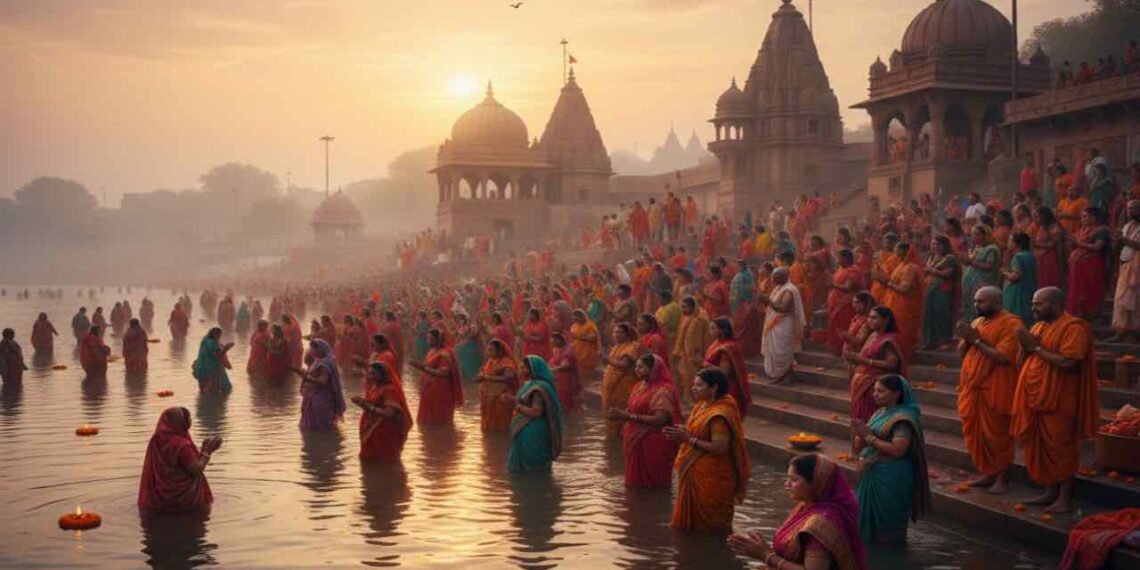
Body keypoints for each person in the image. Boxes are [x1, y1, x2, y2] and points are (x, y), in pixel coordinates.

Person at [1011, 287, 1100, 513]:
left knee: (1061, 447)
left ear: (1055, 304)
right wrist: (1023, 346)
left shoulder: (1074, 327)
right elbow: (1024, 361)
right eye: (1033, 303)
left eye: (1038, 304)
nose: (1033, 308)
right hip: (1035, 397)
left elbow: (1070, 362)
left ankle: (1064, 498)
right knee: (1040, 447)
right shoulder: (1039, 326)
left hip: (1060, 398)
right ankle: (1049, 492)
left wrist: (1035, 347)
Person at [728, 454, 868, 570]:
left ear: (816, 483)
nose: (786, 484)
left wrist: (766, 555)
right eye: (788, 478)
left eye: (794, 480)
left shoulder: (821, 522)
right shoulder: (806, 506)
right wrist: (760, 549)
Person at [664, 368, 751, 532]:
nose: (693, 388)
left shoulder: (719, 414)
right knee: (690, 529)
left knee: (710, 529)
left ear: (714, 388)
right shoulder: (702, 406)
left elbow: (719, 448)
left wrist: (688, 439)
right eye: (693, 384)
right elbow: (697, 432)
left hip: (713, 477)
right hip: (695, 470)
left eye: (699, 385)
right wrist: (681, 433)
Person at [956, 286, 1023, 494]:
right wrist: (965, 337)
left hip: (996, 387)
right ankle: (988, 473)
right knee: (978, 435)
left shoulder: (1011, 323)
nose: (976, 305)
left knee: (998, 435)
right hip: (973, 388)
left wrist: (976, 340)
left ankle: (1003, 479)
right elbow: (962, 352)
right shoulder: (977, 322)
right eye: (976, 301)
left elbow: (1003, 356)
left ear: (996, 302)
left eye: (981, 301)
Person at [850, 374, 932, 544]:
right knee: (863, 525)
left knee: (887, 527)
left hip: (891, 476)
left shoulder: (903, 419)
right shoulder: (880, 412)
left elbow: (898, 450)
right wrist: (860, 436)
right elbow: (867, 439)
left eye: (881, 391)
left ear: (896, 394)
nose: (875, 394)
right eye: (875, 390)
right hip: (872, 473)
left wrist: (868, 437)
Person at [607, 354, 682, 488]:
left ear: (653, 369)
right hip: (635, 439)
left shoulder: (663, 390)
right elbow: (633, 408)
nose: (636, 370)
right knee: (634, 485)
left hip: (653, 443)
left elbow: (660, 419)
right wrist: (620, 416)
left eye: (641, 367)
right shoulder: (638, 386)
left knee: (654, 486)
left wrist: (628, 417)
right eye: (636, 366)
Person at [138, 407, 222, 513]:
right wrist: (207, 452)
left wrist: (202, 451)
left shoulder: (156, 440)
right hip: (184, 499)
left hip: (159, 497)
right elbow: (195, 470)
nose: (190, 421)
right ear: (180, 421)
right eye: (188, 418)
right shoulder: (181, 444)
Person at [843, 307, 902, 425]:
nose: (869, 320)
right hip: (861, 384)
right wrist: (854, 359)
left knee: (870, 421)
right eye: (869, 317)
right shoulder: (873, 335)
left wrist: (865, 361)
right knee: (859, 421)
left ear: (886, 320)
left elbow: (892, 364)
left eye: (874, 318)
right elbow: (865, 355)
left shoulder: (889, 339)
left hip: (874, 387)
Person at [507, 355, 564, 473]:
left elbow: (536, 412)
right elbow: (525, 401)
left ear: (534, 370)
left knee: (533, 471)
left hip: (533, 434)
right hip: (524, 431)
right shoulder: (529, 384)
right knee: (527, 472)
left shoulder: (538, 388)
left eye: (524, 368)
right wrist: (511, 399)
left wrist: (516, 405)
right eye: (520, 367)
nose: (520, 371)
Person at [351, 362, 412, 461]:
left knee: (384, 461)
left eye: (373, 373)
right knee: (370, 462)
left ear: (382, 374)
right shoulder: (375, 387)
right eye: (369, 373)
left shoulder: (389, 390)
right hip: (372, 430)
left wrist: (369, 407)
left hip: (384, 432)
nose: (369, 376)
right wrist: (361, 402)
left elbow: (390, 413)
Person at [408, 329, 465, 425]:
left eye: (431, 339)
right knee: (427, 423)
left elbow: (443, 373)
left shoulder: (446, 353)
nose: (428, 341)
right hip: (429, 391)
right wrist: (419, 365)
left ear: (438, 340)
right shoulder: (432, 351)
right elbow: (428, 366)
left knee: (440, 421)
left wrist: (422, 368)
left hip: (441, 391)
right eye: (427, 339)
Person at [760, 267, 806, 383]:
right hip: (774, 324)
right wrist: (764, 302)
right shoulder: (778, 288)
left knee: (783, 351)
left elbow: (783, 308)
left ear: (784, 277)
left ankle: (786, 375)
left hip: (784, 324)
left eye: (776, 277)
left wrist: (767, 301)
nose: (773, 279)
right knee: (775, 352)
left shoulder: (789, 290)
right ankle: (779, 376)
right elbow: (772, 306)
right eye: (773, 276)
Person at [879, 242, 922, 360]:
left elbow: (904, 289)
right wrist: (883, 277)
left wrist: (886, 283)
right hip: (894, 304)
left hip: (904, 306)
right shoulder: (901, 265)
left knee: (902, 329)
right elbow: (894, 281)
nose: (894, 251)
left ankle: (903, 355)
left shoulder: (911, 267)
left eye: (896, 249)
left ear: (903, 251)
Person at [1066, 208, 1111, 319]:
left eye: (1086, 216)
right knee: (1077, 291)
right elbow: (1074, 245)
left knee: (1091, 290)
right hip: (1078, 266)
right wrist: (1071, 243)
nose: (1083, 219)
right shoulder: (1081, 231)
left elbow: (1098, 247)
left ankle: (1092, 315)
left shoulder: (1102, 231)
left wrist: (1078, 243)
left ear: (1094, 217)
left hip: (1092, 265)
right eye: (1082, 216)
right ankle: (1079, 313)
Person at [704, 318, 752, 413]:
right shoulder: (716, 343)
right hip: (714, 385)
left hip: (727, 388)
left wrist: (707, 366)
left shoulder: (728, 347)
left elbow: (724, 372)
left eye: (713, 328)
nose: (710, 331)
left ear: (723, 330)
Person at [297, 339, 347, 430]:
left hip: (322, 400)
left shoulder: (326, 363)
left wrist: (307, 378)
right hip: (312, 397)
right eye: (311, 348)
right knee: (311, 428)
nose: (311, 350)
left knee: (323, 426)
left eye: (313, 348)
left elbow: (323, 381)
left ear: (320, 349)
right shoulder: (317, 361)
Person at [601, 323, 640, 435]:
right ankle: (613, 438)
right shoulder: (616, 346)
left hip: (623, 387)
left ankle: (621, 437)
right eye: (614, 332)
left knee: (620, 413)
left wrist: (606, 358)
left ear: (627, 334)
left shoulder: (631, 347)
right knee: (611, 414)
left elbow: (624, 365)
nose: (616, 335)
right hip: (612, 387)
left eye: (620, 332)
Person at [921, 235, 959, 349]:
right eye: (933, 244)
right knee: (929, 314)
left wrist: (931, 270)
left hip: (943, 289)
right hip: (929, 289)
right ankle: (929, 341)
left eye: (938, 244)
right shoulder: (931, 257)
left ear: (945, 246)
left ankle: (944, 341)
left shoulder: (949, 258)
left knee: (941, 313)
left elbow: (947, 274)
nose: (935, 246)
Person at [1110, 200, 1140, 342]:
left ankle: (1136, 332)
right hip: (1125, 265)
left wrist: (1123, 240)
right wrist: (1116, 241)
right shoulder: (1127, 226)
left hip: (1137, 269)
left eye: (1134, 208)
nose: (1130, 211)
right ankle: (1121, 331)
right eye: (1128, 209)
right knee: (1120, 300)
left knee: (1136, 301)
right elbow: (1121, 246)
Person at [476, 339, 519, 433]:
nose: (488, 352)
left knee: (501, 423)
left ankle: (501, 439)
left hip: (500, 397)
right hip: (488, 396)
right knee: (489, 426)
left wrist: (486, 377)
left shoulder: (507, 362)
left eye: (491, 350)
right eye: (488, 349)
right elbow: (485, 373)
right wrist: (480, 377)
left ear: (499, 351)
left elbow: (508, 378)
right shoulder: (490, 361)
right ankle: (491, 440)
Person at [961, 225, 1001, 323]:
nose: (974, 236)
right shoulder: (977, 248)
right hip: (971, 285)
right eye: (973, 234)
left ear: (985, 235)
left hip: (983, 284)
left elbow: (989, 266)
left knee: (982, 307)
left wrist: (972, 262)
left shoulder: (991, 249)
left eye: (977, 234)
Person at [827, 250, 862, 355]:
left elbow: (848, 287)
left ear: (846, 258)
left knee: (844, 325)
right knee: (835, 325)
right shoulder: (840, 269)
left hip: (846, 303)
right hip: (835, 303)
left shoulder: (853, 270)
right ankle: (836, 348)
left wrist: (833, 284)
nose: (837, 260)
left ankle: (845, 350)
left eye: (839, 258)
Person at [1002, 232, 1038, 324]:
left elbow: (1016, 276)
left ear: (1016, 244)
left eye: (1010, 241)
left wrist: (1004, 272)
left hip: (1018, 293)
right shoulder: (1030, 255)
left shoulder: (1018, 257)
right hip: (1030, 289)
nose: (1008, 243)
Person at [192, 328, 233, 393]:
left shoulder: (205, 340)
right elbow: (217, 355)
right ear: (215, 335)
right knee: (212, 392)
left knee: (203, 391)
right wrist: (226, 348)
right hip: (211, 370)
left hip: (201, 369)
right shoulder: (211, 343)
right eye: (219, 335)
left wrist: (223, 347)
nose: (219, 337)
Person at [1032, 207, 1064, 289]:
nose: (1036, 219)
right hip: (1041, 260)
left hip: (1049, 260)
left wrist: (1037, 244)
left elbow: (1054, 245)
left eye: (1038, 216)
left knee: (1049, 284)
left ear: (1044, 216)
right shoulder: (1042, 227)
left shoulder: (1054, 228)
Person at [549, 332, 581, 412]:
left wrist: (551, 369)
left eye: (554, 342)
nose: (553, 344)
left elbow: (565, 366)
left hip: (566, 379)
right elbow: (552, 361)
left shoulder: (568, 350)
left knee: (565, 400)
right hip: (557, 379)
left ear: (559, 340)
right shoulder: (556, 348)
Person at [569, 309, 601, 386]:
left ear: (583, 316)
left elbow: (592, 338)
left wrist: (578, 337)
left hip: (588, 352)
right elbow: (572, 336)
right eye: (574, 317)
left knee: (586, 370)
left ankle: (587, 384)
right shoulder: (574, 325)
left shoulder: (590, 325)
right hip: (577, 351)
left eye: (577, 317)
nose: (576, 319)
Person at [454, 312, 483, 382]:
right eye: (458, 319)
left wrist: (464, 341)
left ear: (465, 320)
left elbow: (472, 336)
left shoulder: (472, 327)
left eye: (460, 319)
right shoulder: (458, 327)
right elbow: (457, 337)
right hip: (463, 344)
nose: (459, 320)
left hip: (471, 345)